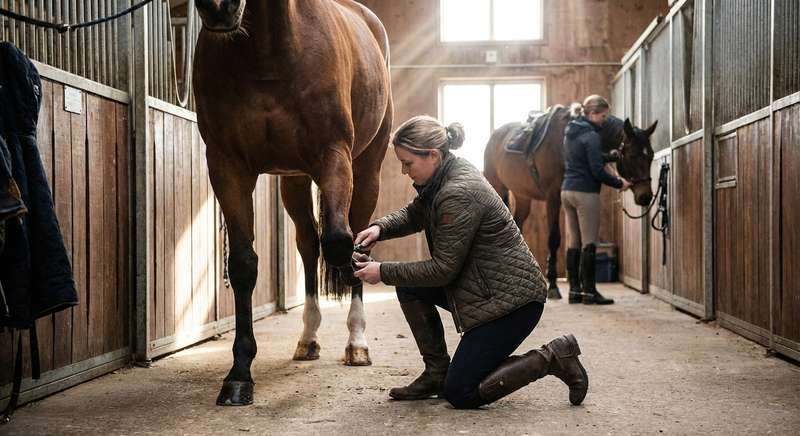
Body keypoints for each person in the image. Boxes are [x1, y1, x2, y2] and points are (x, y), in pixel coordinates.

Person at [352, 115, 588, 409]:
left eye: (408, 163)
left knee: (461, 391)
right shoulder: (446, 172)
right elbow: (416, 213)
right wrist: (380, 228)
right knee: (409, 286)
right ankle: (436, 372)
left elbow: (442, 270)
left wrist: (382, 271)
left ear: (433, 155)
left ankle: (554, 357)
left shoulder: (458, 192)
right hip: (483, 291)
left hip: (511, 305)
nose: (403, 170)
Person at [562, 95, 632, 305]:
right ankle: (590, 292)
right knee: (589, 242)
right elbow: (596, 171)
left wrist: (610, 156)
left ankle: (575, 291)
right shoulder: (592, 136)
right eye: (602, 116)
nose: (604, 120)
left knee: (573, 241)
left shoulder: (570, 131)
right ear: (592, 114)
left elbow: (584, 157)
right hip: (585, 193)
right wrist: (620, 183)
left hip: (567, 191)